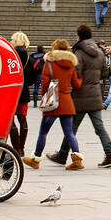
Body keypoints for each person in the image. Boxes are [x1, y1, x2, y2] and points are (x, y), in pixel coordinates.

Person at [47, 25, 111, 168]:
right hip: (95, 93)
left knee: (71, 127)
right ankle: (110, 155)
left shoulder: (78, 53)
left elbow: (75, 74)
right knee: (99, 126)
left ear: (79, 36)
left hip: (80, 95)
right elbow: (105, 73)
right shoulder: (99, 52)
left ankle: (62, 155)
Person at [23, 39, 83, 170]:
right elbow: (77, 85)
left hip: (53, 101)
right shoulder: (71, 64)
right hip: (67, 102)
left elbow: (44, 84)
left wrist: (45, 96)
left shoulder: (49, 63)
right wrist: (81, 77)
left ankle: (35, 159)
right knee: (69, 132)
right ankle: (77, 159)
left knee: (43, 132)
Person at [9, 32, 31, 155]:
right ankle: (22, 148)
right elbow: (33, 75)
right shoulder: (29, 56)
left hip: (13, 91)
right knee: (22, 119)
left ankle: (16, 148)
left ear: (17, 40)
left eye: (12, 39)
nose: (10, 41)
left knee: (11, 120)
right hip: (24, 92)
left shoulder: (12, 55)